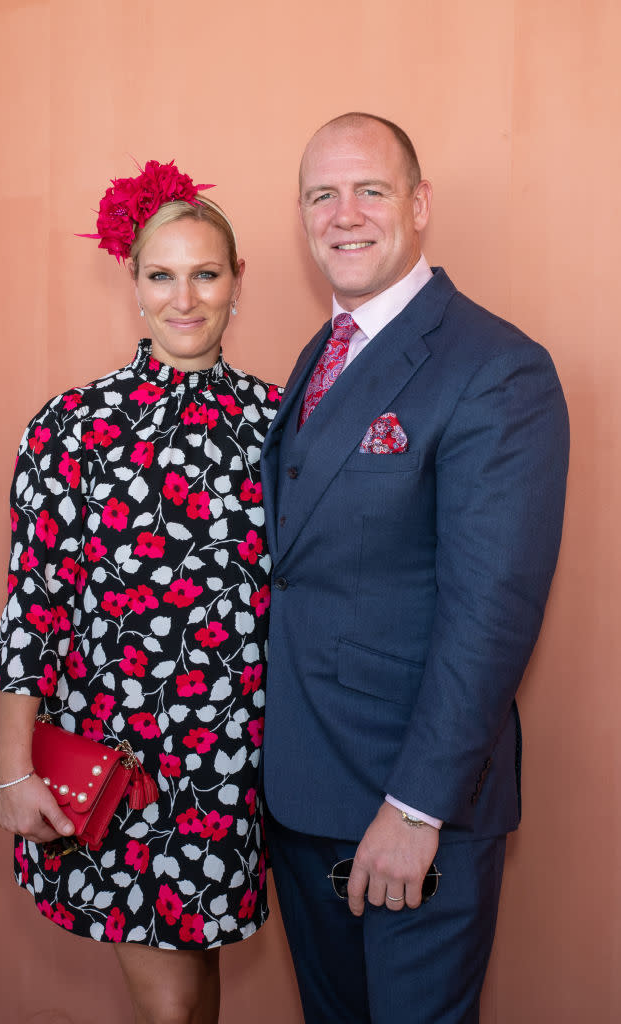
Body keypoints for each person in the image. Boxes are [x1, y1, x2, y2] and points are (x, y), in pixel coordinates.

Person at [260, 112, 569, 1023]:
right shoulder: (322, 354)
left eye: (370, 190)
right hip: (303, 796)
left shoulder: (496, 368)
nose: (343, 214)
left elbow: (492, 611)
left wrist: (415, 809)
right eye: (321, 194)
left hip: (405, 810)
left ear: (419, 204)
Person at [0, 158, 281, 1024]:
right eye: (162, 275)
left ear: (238, 283)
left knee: (195, 986)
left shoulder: (282, 423)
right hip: (124, 764)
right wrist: (11, 767)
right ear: (135, 285)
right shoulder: (71, 426)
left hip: (243, 763)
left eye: (205, 274)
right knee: (168, 1006)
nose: (183, 299)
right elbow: (32, 603)